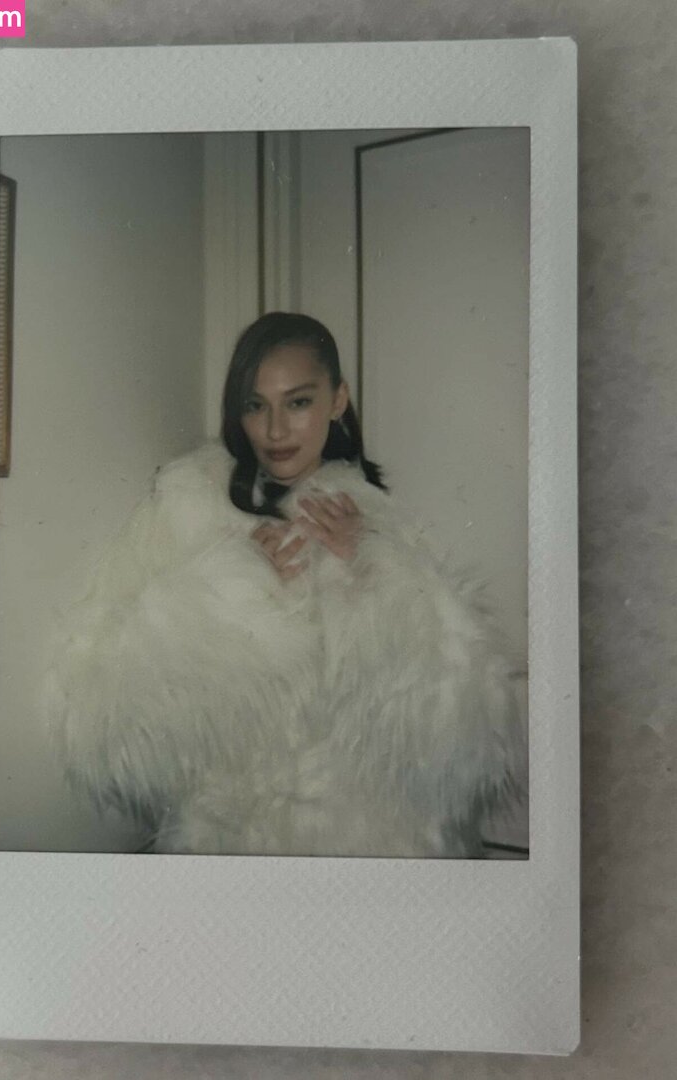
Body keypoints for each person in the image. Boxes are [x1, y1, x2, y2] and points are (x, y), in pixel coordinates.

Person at [44, 312, 525, 857]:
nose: (275, 430)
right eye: (256, 405)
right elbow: (102, 722)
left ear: (337, 401)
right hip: (231, 839)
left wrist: (374, 572)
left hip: (374, 844)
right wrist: (235, 583)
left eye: (297, 402)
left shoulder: (377, 520)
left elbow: (465, 742)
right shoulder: (187, 505)